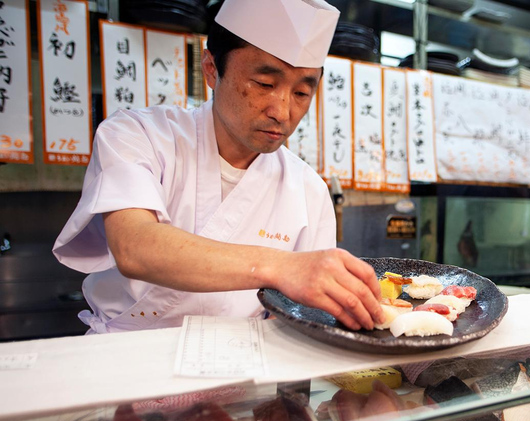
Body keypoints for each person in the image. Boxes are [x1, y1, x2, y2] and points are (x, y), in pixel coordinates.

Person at [53, 0, 385, 333]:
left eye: (301, 92)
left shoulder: (308, 189)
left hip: (247, 369)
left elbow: (297, 318)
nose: (283, 112)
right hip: (124, 363)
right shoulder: (138, 134)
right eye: (266, 84)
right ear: (212, 69)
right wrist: (283, 267)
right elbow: (133, 246)